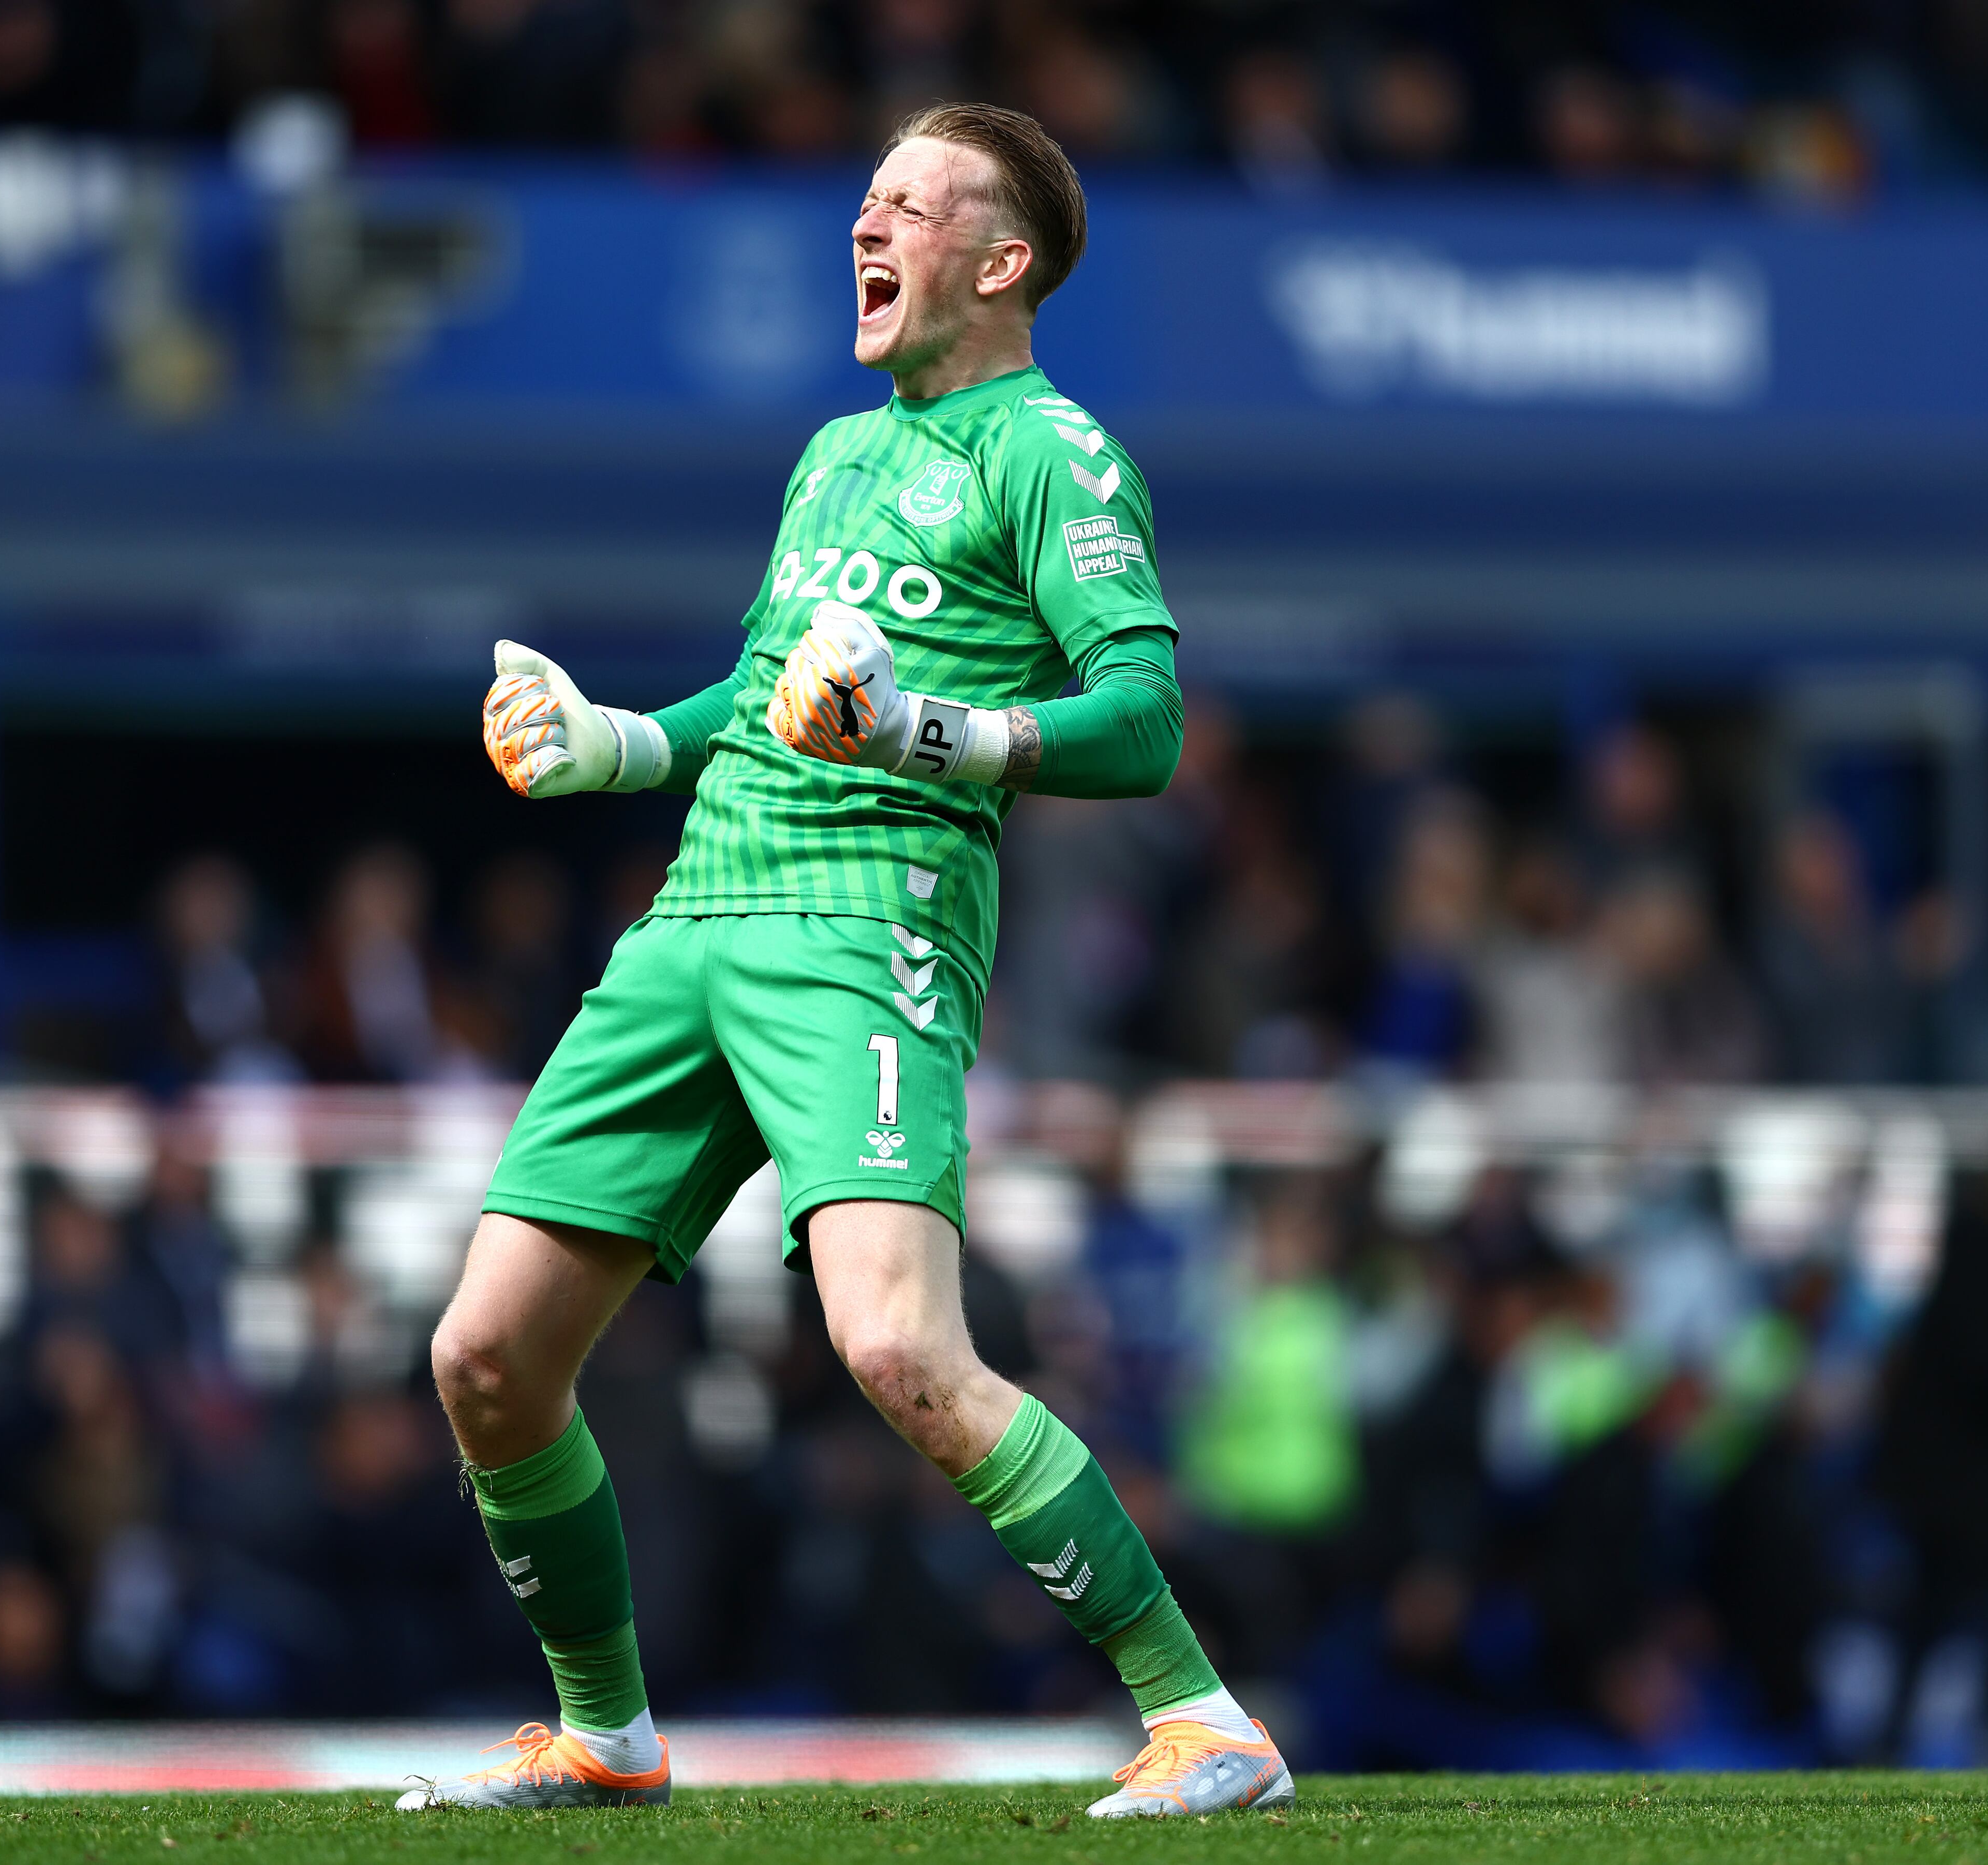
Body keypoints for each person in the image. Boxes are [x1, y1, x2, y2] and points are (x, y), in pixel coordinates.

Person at [422, 104, 1289, 1819]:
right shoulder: (833, 452)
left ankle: (1205, 1723)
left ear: (1001, 259)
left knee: (896, 1350)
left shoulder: (1054, 451)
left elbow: (1144, 725)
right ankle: (608, 1736)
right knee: (485, 1360)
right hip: (694, 920)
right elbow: (761, 701)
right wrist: (612, 745)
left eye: (908, 200)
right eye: (867, 195)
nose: (865, 220)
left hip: (864, 925)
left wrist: (928, 730)